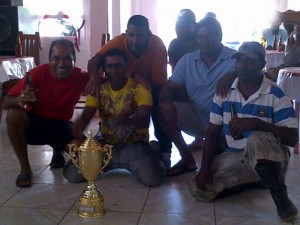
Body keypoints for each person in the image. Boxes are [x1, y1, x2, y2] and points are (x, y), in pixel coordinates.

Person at [189, 41, 298, 222]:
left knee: (258, 139)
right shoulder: (224, 92)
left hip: (272, 157)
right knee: (198, 188)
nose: (242, 65)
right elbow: (213, 132)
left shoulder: (276, 94)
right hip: (238, 156)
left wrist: (257, 123)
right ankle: (256, 180)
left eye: (250, 61)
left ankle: (281, 197)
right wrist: (205, 168)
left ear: (262, 65)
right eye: (239, 60)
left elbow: (293, 138)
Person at [63, 48, 165, 186]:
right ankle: (115, 162)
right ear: (104, 68)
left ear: (126, 66)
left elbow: (145, 120)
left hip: (134, 145)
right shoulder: (98, 89)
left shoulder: (139, 87)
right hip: (106, 145)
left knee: (154, 179)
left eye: (118, 65)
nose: (113, 70)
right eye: (109, 66)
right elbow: (88, 114)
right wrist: (80, 124)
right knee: (72, 175)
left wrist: (130, 119)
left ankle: (153, 149)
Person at [86, 15, 172, 167]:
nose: (135, 40)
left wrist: (136, 97)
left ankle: (164, 150)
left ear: (149, 34)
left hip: (148, 87)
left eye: (140, 35)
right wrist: (94, 77)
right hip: (121, 85)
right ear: (126, 33)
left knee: (159, 107)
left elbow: (159, 83)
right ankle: (106, 134)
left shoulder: (157, 45)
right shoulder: (119, 41)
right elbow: (95, 60)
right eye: (131, 35)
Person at [3, 39, 90, 188]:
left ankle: (58, 151)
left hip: (61, 125)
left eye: (67, 58)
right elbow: (5, 103)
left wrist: (95, 75)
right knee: (13, 115)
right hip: (35, 123)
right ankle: (25, 169)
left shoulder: (80, 77)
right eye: (56, 58)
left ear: (74, 60)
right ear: (49, 60)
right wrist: (20, 98)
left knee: (85, 157)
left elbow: (109, 80)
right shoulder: (36, 75)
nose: (62, 63)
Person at [158, 16, 236, 177]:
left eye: (209, 35)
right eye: (200, 37)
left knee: (220, 169)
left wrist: (236, 73)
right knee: (160, 110)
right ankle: (187, 159)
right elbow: (169, 88)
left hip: (226, 125)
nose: (204, 40)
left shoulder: (234, 59)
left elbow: (261, 77)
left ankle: (220, 151)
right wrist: (166, 102)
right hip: (198, 117)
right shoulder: (187, 61)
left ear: (220, 36)